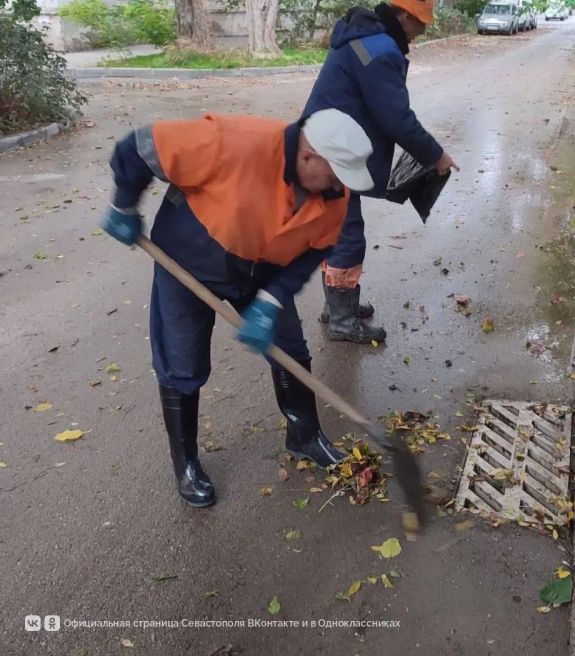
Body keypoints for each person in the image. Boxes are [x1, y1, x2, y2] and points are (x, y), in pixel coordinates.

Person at [101, 109, 373, 508]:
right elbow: (138, 148)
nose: (339, 185)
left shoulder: (334, 193)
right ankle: (187, 462)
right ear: (309, 155)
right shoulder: (234, 142)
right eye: (335, 173)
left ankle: (304, 435)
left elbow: (311, 253)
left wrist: (271, 300)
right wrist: (125, 205)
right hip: (189, 259)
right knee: (182, 363)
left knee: (290, 349)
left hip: (263, 271)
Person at [301, 0, 458, 345]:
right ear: (403, 16)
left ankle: (338, 306)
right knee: (347, 235)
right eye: (420, 22)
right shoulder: (380, 49)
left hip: (324, 143)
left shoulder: (368, 37)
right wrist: (436, 156)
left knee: (338, 229)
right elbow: (396, 117)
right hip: (331, 152)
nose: (423, 30)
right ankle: (341, 319)